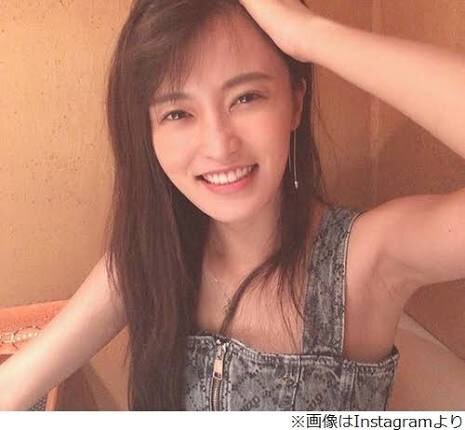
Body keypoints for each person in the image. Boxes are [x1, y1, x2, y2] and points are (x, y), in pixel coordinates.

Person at [0, 0, 464, 411]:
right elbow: (15, 385)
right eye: (178, 113)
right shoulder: (148, 256)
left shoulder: (364, 260)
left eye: (246, 97)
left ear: (295, 104)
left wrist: (309, 34)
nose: (219, 146)